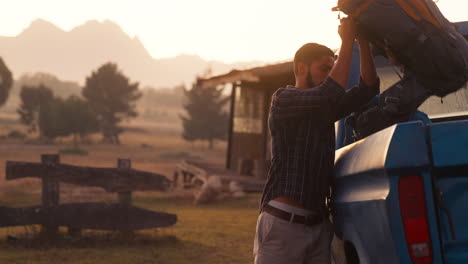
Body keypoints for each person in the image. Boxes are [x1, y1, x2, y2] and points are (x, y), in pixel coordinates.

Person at [253, 17, 379, 264]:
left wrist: (362, 42)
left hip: (318, 227)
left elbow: (368, 88)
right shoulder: (284, 100)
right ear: (301, 68)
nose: (329, 74)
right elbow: (329, 92)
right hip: (283, 225)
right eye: (324, 68)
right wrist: (346, 41)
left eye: (331, 69)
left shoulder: (325, 107)